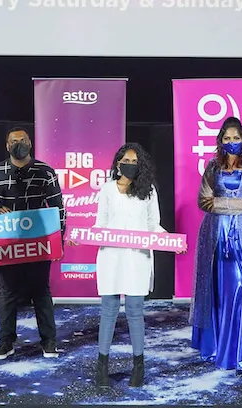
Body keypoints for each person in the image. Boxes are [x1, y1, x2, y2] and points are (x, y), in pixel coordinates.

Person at [68, 143, 171, 388]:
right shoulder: (107, 189)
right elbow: (100, 223)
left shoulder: (148, 191)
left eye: (135, 162)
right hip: (111, 257)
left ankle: (139, 366)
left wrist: (170, 241)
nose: (130, 165)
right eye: (127, 161)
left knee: (135, 311)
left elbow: (153, 224)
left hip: (137, 258)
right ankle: (102, 365)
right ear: (118, 163)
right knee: (109, 310)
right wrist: (80, 237)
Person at [190, 117, 242, 375]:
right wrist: (216, 205)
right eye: (227, 138)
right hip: (216, 232)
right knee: (218, 288)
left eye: (236, 138)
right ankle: (217, 346)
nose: (232, 142)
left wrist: (224, 204)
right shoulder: (213, 165)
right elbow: (203, 200)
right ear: (221, 141)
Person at [0, 127, 65, 360]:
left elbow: (58, 208)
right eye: (14, 141)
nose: (19, 144)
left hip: (38, 242)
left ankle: (49, 341)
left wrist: (59, 240)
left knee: (41, 291)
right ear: (7, 146)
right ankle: (6, 342)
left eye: (23, 140)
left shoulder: (45, 172)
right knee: (7, 293)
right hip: (7, 244)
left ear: (30, 143)